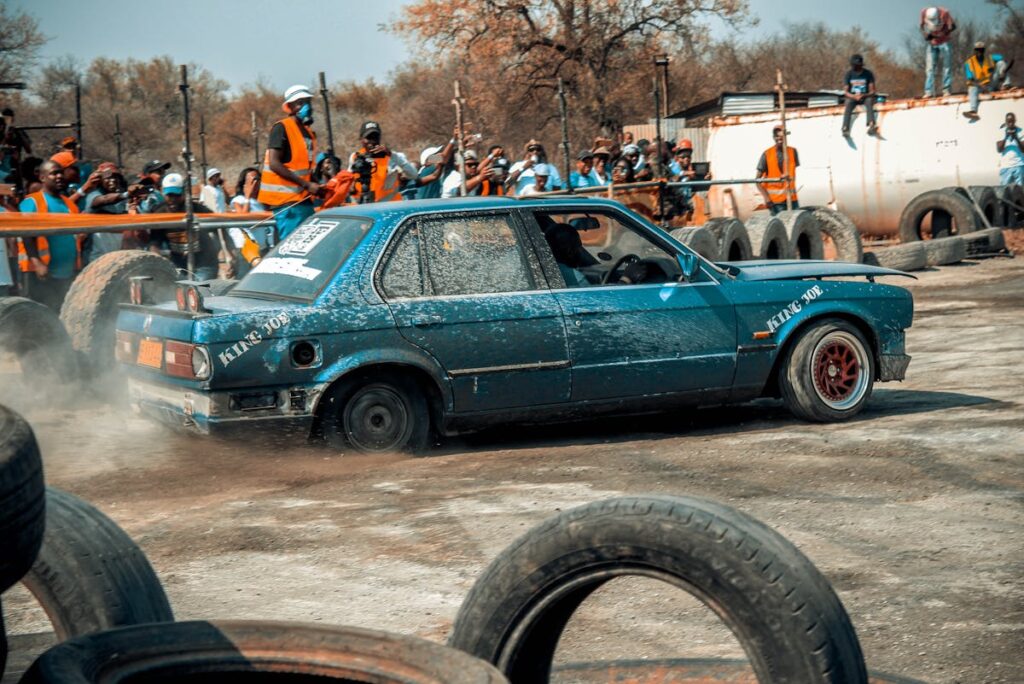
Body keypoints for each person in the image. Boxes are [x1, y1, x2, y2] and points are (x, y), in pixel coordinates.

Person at [16, 160, 84, 311]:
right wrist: (37, 262)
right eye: (54, 173)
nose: (59, 176)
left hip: (66, 273)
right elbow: (24, 234)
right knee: (39, 316)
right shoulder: (32, 201)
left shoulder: (69, 204)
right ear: (42, 178)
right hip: (41, 274)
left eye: (61, 172)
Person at [258, 84, 320, 239]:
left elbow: (304, 167)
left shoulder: (309, 134)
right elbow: (274, 163)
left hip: (303, 199)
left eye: (308, 102)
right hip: (287, 203)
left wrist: (316, 184)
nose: (306, 106)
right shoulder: (282, 128)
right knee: (292, 246)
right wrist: (306, 184)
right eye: (300, 103)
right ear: (290, 106)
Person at [146, 173, 220, 280]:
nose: (172, 199)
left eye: (177, 195)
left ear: (184, 193)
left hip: (204, 264)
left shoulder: (197, 209)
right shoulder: (159, 213)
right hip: (178, 265)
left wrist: (220, 250)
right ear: (163, 192)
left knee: (202, 292)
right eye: (169, 195)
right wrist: (157, 261)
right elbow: (154, 242)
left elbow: (218, 227)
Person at [348, 121, 439, 203]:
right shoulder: (355, 157)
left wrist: (391, 154)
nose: (372, 141)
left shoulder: (393, 157)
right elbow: (348, 183)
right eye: (368, 137)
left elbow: (414, 175)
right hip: (362, 206)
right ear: (361, 139)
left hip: (389, 207)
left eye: (375, 137)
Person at [228, 166, 267, 277]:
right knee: (243, 278)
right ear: (244, 183)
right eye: (252, 180)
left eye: (258, 179)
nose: (256, 183)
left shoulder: (262, 202)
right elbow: (243, 219)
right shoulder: (238, 200)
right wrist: (248, 196)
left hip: (263, 247)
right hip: (248, 248)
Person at [756, 126, 799, 214]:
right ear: (773, 137)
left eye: (781, 136)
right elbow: (757, 181)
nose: (779, 139)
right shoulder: (767, 154)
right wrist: (767, 199)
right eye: (777, 136)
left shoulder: (793, 152)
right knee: (781, 227)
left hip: (792, 200)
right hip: (776, 203)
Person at [964, 42, 1010, 120]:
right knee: (972, 87)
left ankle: (1006, 85)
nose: (979, 52)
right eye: (977, 50)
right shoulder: (969, 63)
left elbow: (1002, 58)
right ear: (974, 51)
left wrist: (1001, 72)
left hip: (991, 84)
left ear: (984, 51)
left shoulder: (990, 58)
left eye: (981, 50)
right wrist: (981, 85)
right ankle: (973, 111)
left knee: (1001, 63)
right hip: (979, 88)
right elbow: (970, 80)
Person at [921, 7, 956, 97]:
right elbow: (921, 26)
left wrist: (943, 34)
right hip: (932, 43)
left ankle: (946, 89)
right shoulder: (924, 12)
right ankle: (928, 91)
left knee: (946, 66)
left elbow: (953, 26)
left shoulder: (945, 13)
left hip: (944, 42)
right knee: (930, 68)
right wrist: (926, 34)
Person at [842, 54, 878, 136]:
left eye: (857, 65)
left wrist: (864, 95)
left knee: (869, 102)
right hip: (853, 97)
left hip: (865, 97)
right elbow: (846, 91)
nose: (855, 67)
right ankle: (845, 128)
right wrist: (853, 96)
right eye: (854, 65)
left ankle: (871, 125)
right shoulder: (849, 74)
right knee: (848, 103)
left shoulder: (868, 74)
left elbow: (873, 91)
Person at [997, 112, 1024, 186]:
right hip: (1006, 167)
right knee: (1005, 192)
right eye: (1009, 122)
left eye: (1012, 121)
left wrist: (1016, 137)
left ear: (1015, 121)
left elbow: (1023, 149)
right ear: (1005, 122)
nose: (1011, 124)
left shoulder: (1021, 131)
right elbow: (999, 149)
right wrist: (1005, 137)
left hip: (1019, 166)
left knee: (1020, 192)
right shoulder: (1001, 132)